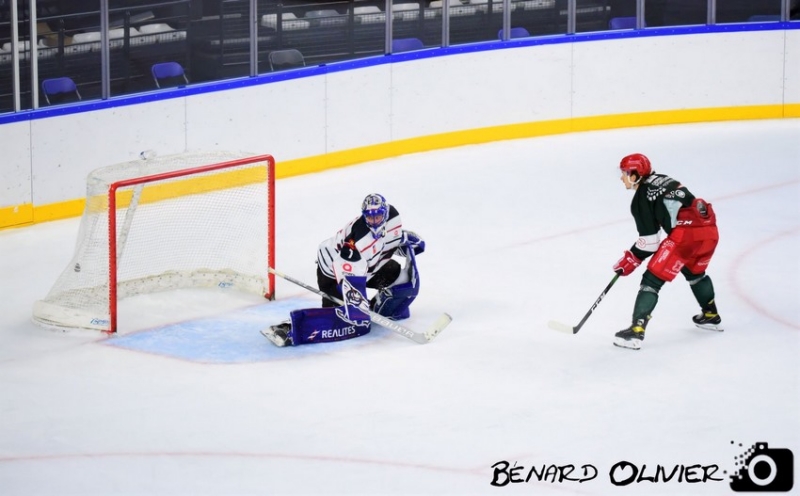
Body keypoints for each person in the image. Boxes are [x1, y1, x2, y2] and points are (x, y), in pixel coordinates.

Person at [263, 193, 425, 347]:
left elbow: (388, 237)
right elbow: (349, 277)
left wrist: (403, 239)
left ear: (385, 212)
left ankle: (381, 307)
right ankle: (290, 329)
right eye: (369, 217)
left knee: (394, 272)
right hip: (334, 270)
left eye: (378, 216)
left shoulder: (392, 215)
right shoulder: (358, 244)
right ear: (364, 215)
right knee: (339, 318)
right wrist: (357, 308)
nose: (374, 221)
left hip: (369, 265)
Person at [612, 153, 722, 350]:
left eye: (625, 173)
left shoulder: (641, 197)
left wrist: (632, 257)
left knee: (651, 281)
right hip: (710, 231)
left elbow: (650, 242)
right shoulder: (665, 179)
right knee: (694, 272)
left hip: (686, 236)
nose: (622, 178)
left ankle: (636, 331)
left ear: (636, 175)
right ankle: (711, 315)